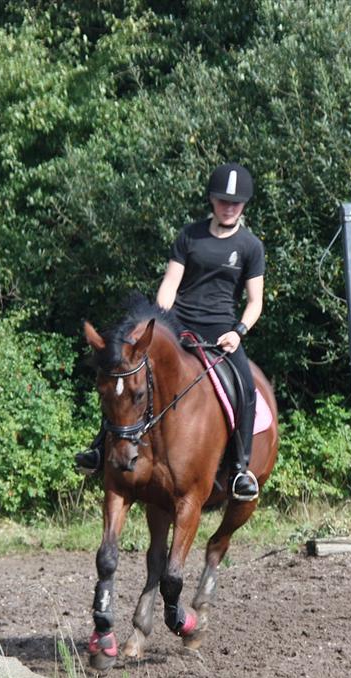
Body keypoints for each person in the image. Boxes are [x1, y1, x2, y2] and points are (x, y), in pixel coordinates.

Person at [76, 162, 265, 501]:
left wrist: (238, 332)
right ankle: (99, 448)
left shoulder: (251, 246)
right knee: (124, 377)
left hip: (223, 331)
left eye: (235, 202)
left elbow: (255, 302)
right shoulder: (189, 236)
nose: (229, 207)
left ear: (244, 205)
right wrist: (160, 321)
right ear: (211, 200)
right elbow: (169, 285)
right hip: (179, 325)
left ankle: (239, 469)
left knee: (247, 388)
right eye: (223, 200)